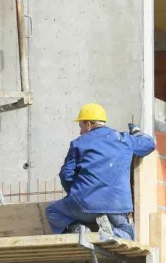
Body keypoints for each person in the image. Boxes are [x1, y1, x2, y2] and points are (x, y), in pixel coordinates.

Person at [45, 103, 155, 240]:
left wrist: (75, 193)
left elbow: (66, 174)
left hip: (83, 204)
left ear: (89, 124)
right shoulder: (123, 139)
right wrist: (137, 133)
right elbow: (149, 144)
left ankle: (77, 228)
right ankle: (113, 233)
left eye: (81, 126)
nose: (80, 132)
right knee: (128, 234)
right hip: (116, 206)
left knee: (52, 211)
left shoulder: (78, 143)